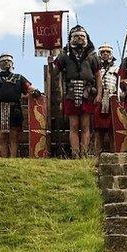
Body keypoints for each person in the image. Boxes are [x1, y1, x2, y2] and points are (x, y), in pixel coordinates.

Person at [51, 25, 101, 158]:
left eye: (82, 36)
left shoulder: (92, 55)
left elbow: (98, 76)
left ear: (86, 38)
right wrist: (52, 62)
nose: (79, 38)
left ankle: (84, 154)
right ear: (71, 38)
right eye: (77, 36)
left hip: (87, 92)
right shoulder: (64, 55)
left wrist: (99, 94)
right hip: (71, 92)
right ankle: (75, 154)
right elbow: (55, 73)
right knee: (73, 125)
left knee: (85, 125)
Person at [0, 53, 40, 158]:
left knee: (14, 137)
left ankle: (13, 160)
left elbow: (28, 87)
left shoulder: (19, 77)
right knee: (2, 137)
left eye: (8, 61)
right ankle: (4, 160)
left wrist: (36, 91)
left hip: (15, 109)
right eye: (3, 61)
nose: (6, 62)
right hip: (0, 108)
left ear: (12, 63)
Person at [93, 43, 119, 155]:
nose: (105, 54)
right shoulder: (95, 69)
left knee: (113, 129)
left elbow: (119, 85)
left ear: (111, 54)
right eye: (103, 52)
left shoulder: (117, 69)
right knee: (98, 130)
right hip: (99, 100)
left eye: (107, 52)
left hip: (112, 99)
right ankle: (97, 155)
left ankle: (114, 155)